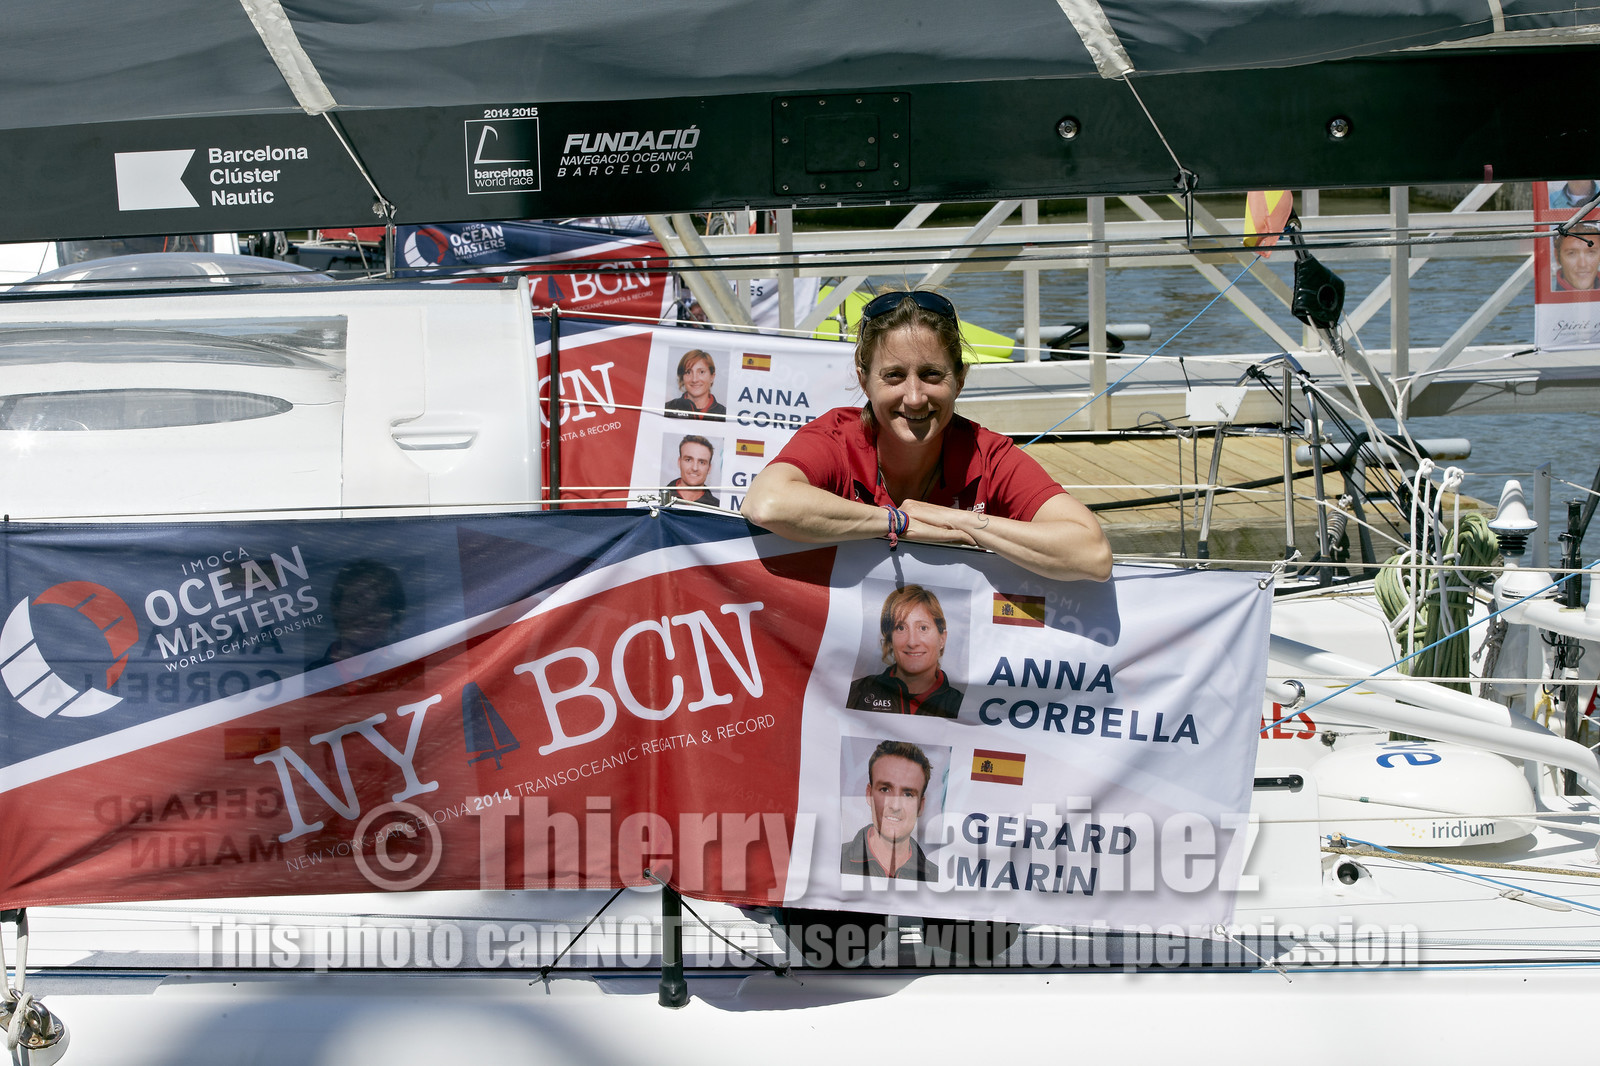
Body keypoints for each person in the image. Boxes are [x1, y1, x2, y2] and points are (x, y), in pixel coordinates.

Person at [742, 290, 1111, 583]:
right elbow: (767, 504)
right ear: (863, 380)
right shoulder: (837, 437)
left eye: (932, 374)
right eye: (894, 376)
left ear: (960, 379)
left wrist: (957, 523)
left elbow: (1092, 555)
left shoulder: (987, 454)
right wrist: (900, 523)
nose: (915, 397)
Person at [848, 585, 962, 717]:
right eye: (901, 628)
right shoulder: (856, 693)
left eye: (923, 628)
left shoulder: (963, 706)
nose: (912, 642)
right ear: (890, 640)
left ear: (942, 639)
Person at [840, 740, 938, 881]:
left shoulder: (937, 879)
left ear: (921, 806)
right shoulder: (834, 860)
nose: (895, 806)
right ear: (869, 794)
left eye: (908, 794)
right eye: (885, 789)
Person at [308, 559, 406, 670]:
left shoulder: (413, 672)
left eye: (381, 604)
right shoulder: (310, 676)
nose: (370, 616)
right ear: (336, 608)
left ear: (393, 614)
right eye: (357, 602)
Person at [663, 349, 725, 419]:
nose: (694, 379)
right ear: (682, 377)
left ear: (712, 377)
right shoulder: (667, 409)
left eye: (701, 372)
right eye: (688, 372)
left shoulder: (724, 414)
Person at [666, 435, 720, 506]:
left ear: (709, 468)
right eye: (688, 460)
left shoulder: (717, 507)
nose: (695, 468)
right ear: (679, 462)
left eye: (702, 462)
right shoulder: (658, 497)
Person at [1553, 225, 1600, 292]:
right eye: (1572, 253)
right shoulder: (1539, 295)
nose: (1582, 264)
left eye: (1591, 252)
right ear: (1557, 256)